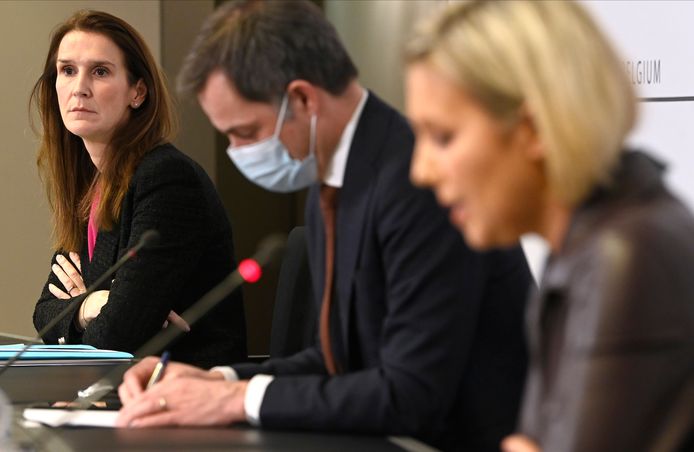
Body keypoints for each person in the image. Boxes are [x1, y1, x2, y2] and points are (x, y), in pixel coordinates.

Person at [116, 1, 533, 450]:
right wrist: (216, 380)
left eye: (246, 132)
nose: (237, 152)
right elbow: (338, 359)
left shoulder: (419, 180)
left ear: (301, 99)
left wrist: (235, 400)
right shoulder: (332, 180)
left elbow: (410, 394)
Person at [404, 1, 694, 451]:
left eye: (443, 137)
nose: (421, 171)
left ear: (533, 129)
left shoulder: (625, 256)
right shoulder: (592, 244)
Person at [31, 10, 247, 369]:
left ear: (138, 91)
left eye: (100, 71)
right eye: (67, 70)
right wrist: (93, 303)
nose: (79, 87)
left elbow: (117, 336)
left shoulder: (165, 178)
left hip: (186, 398)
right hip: (119, 393)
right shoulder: (90, 184)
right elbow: (44, 317)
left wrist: (101, 309)